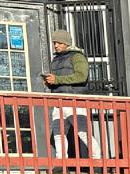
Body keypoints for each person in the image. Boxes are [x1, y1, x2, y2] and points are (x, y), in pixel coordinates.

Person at [42, 29, 101, 162]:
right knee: (58, 134)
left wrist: (57, 80)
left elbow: (81, 76)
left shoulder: (77, 56)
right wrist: (50, 83)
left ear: (66, 43)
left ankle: (97, 160)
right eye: (54, 43)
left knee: (83, 133)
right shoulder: (56, 59)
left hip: (76, 102)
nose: (55, 45)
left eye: (58, 42)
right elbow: (61, 80)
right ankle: (61, 163)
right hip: (59, 102)